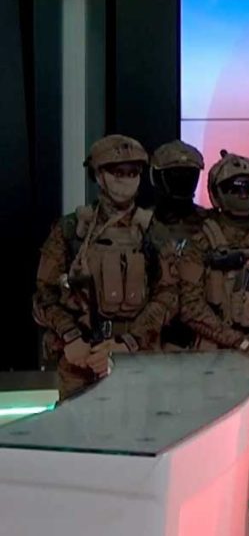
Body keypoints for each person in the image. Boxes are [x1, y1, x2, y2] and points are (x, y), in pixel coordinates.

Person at [176, 151, 249, 536]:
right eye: (233, 188)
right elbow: (189, 307)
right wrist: (239, 343)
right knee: (212, 446)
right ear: (216, 193)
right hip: (217, 358)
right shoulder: (199, 244)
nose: (243, 195)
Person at [32, 135, 176, 399]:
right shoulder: (71, 230)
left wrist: (128, 342)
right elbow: (44, 294)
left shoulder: (153, 231)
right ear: (99, 176)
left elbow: (168, 295)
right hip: (82, 358)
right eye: (117, 172)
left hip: (137, 355)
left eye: (133, 173)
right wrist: (71, 336)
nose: (126, 180)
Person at [147, 139, 209, 350]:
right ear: (157, 177)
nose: (183, 182)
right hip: (151, 332)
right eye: (175, 176)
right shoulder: (142, 224)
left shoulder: (212, 224)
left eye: (189, 176)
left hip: (204, 333)